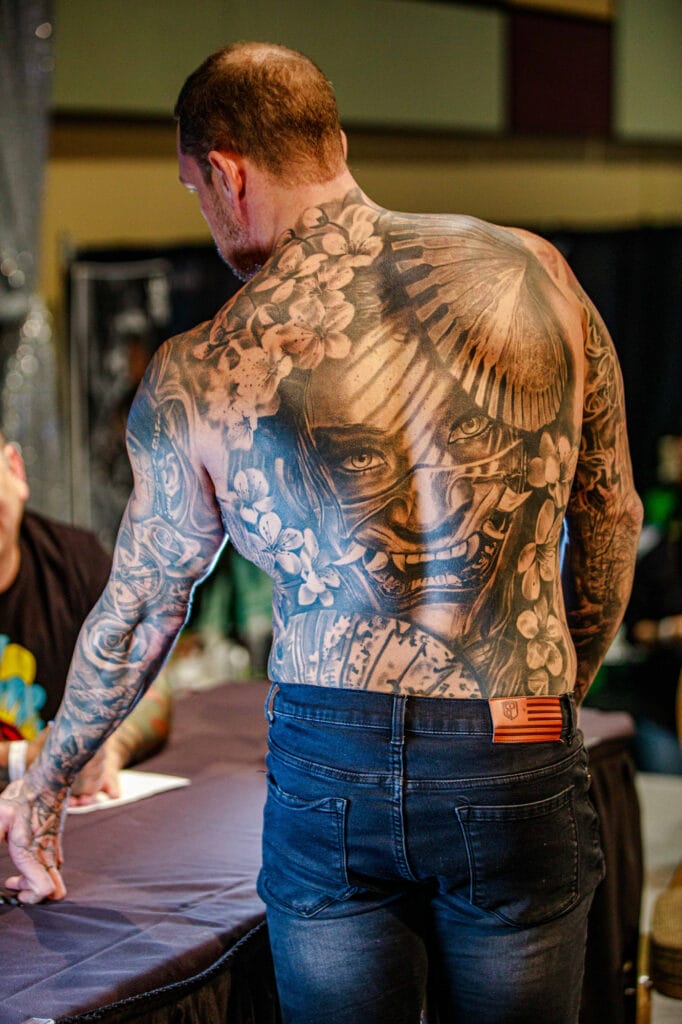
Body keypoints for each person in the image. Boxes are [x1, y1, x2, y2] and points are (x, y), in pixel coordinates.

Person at [0, 42, 642, 1023]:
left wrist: (42, 788)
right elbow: (609, 518)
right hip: (514, 724)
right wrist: (538, 714)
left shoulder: (202, 368)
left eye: (195, 192)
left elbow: (138, 611)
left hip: (327, 754)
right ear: (332, 143)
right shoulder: (536, 274)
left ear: (225, 172)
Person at [0, 431, 172, 801]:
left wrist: (107, 749)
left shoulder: (77, 563)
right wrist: (21, 759)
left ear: (15, 470)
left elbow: (149, 685)